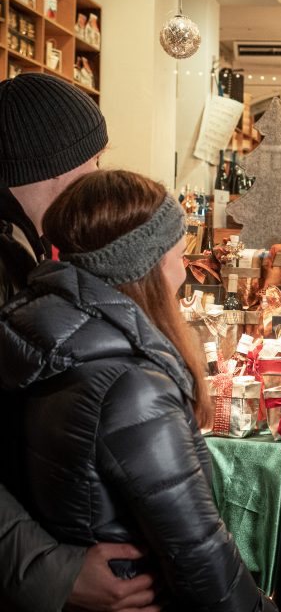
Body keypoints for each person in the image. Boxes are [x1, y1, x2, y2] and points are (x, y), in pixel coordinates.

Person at [0, 169, 275, 611]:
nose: (185, 268)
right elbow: (201, 556)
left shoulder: (52, 345)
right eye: (178, 251)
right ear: (146, 263)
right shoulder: (133, 386)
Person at [0, 73, 160, 611]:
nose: (99, 175)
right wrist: (57, 572)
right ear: (63, 166)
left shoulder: (25, 248)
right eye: (95, 160)